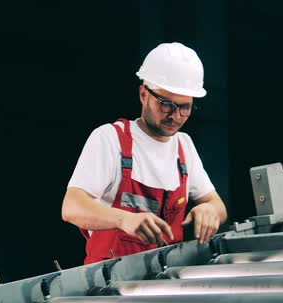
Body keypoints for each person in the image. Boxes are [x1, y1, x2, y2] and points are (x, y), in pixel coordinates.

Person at [62, 42, 227, 264]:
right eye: (166, 104)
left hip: (166, 280)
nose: (176, 116)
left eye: (185, 107)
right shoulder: (111, 139)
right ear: (143, 94)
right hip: (109, 285)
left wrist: (209, 210)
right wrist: (124, 219)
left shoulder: (183, 146)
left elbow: (218, 205)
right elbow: (72, 207)